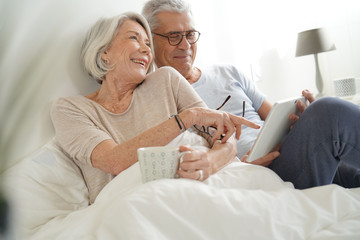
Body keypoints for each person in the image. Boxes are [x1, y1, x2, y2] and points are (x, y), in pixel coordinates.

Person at [142, 0, 360, 188]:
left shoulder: (229, 72)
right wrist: (240, 167)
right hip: (263, 173)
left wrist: (301, 119)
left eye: (190, 34)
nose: (186, 45)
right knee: (329, 111)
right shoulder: (155, 99)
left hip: (295, 151)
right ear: (150, 41)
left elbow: (276, 116)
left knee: (327, 122)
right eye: (173, 36)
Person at [50, 12, 260, 204]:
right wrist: (187, 118)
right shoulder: (71, 109)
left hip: (201, 185)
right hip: (132, 202)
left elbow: (225, 138)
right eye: (134, 38)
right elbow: (113, 161)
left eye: (148, 43)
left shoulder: (166, 79)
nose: (146, 50)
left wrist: (210, 162)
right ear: (105, 51)